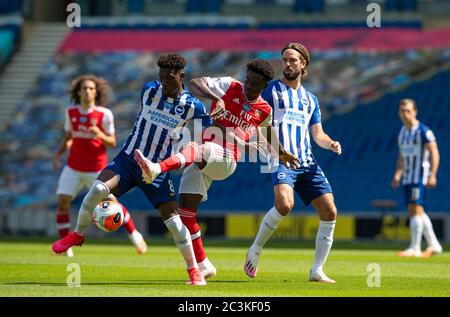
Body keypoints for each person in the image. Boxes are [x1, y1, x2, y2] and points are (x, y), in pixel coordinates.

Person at [52, 53, 211, 285]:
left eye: (169, 78)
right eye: (161, 77)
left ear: (181, 76)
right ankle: (77, 234)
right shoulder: (149, 90)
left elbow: (207, 132)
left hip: (156, 170)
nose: (164, 82)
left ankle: (193, 271)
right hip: (128, 160)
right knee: (96, 190)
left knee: (176, 224)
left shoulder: (192, 107)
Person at [134, 58, 300, 279]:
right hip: (204, 155)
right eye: (247, 81)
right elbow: (194, 83)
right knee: (186, 212)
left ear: (264, 86)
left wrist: (281, 152)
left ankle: (157, 168)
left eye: (255, 84)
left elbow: (266, 132)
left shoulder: (264, 110)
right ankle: (203, 265)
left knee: (197, 148)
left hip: (226, 160)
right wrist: (216, 99)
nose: (248, 86)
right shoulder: (229, 86)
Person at [244, 43, 342, 283]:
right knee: (285, 205)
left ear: (303, 64)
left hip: (307, 161)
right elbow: (255, 119)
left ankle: (317, 270)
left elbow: (317, 134)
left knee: (330, 211)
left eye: (292, 60)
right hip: (280, 159)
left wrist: (330, 143)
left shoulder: (311, 100)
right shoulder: (271, 91)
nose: (287, 64)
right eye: (284, 60)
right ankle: (255, 249)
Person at [53, 75, 147, 257]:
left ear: (96, 92)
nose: (87, 91)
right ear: (78, 92)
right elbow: (69, 137)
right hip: (73, 166)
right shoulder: (70, 112)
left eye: (91, 88)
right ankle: (66, 247)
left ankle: (135, 235)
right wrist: (58, 155)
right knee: (63, 202)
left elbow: (112, 142)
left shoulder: (104, 114)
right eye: (84, 88)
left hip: (97, 168)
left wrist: (98, 134)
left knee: (112, 203)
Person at [391, 99, 442, 258]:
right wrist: (398, 173)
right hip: (407, 177)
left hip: (419, 176)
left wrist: (433, 175)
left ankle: (415, 247)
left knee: (415, 209)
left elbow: (434, 152)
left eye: (408, 110)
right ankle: (434, 244)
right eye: (402, 111)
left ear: (415, 111)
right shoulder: (402, 132)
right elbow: (402, 155)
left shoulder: (423, 131)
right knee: (416, 211)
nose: (405, 114)